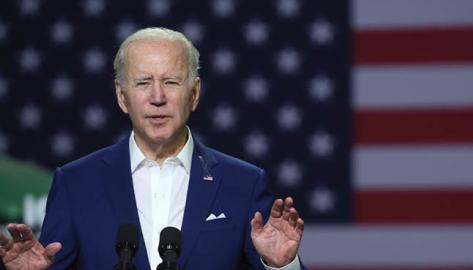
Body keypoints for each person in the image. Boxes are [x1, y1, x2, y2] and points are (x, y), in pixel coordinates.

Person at [0, 27, 307, 270]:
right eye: (143, 82)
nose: (157, 97)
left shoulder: (243, 183)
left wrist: (281, 266)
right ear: (122, 97)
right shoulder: (76, 183)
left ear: (195, 94)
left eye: (171, 82)